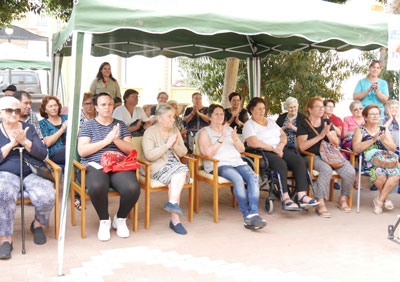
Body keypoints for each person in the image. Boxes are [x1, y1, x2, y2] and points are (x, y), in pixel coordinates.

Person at [78, 93, 140, 241]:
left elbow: (130, 150)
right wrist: (106, 141)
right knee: (97, 186)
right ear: (96, 107)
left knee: (132, 188)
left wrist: (115, 139)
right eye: (103, 104)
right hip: (95, 164)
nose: (107, 107)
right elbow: (82, 150)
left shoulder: (120, 125)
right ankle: (104, 221)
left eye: (110, 104)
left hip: (118, 164)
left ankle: (120, 218)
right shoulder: (88, 125)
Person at [0, 97, 55, 259]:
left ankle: (37, 224)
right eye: (9, 110)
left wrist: (25, 141)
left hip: (31, 171)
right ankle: (6, 239)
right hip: (6, 173)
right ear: (1, 112)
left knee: (47, 195)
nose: (13, 114)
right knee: (3, 193)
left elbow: (43, 153)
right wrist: (11, 144)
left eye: (16, 110)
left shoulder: (29, 128)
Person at [198, 104, 267, 231]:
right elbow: (207, 153)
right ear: (210, 116)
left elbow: (241, 149)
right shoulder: (204, 132)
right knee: (238, 179)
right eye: (216, 114)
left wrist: (235, 138)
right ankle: (247, 214)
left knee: (253, 176)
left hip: (237, 161)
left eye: (222, 114)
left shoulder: (229, 130)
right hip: (219, 163)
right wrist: (222, 137)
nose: (220, 116)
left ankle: (254, 213)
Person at [243, 97, 319, 211]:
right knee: (281, 164)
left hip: (280, 148)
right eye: (259, 109)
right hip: (263, 152)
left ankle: (302, 195)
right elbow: (253, 142)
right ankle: (285, 198)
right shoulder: (249, 125)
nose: (262, 111)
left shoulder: (270, 121)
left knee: (299, 161)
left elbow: (283, 135)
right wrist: (273, 149)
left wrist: (280, 146)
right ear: (252, 110)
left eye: (263, 108)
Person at [297, 97, 355, 218]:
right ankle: (320, 202)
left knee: (350, 171)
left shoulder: (327, 123)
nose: (321, 109)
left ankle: (342, 199)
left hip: (330, 155)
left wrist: (328, 134)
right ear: (309, 109)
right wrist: (319, 136)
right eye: (318, 106)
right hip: (313, 156)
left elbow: (336, 143)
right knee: (326, 169)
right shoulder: (303, 124)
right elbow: (302, 147)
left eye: (322, 106)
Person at [142, 104, 190, 234]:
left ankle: (173, 208)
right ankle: (175, 220)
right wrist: (166, 145)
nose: (173, 119)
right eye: (169, 117)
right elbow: (149, 155)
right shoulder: (149, 132)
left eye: (173, 116)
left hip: (175, 165)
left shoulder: (174, 130)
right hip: (157, 167)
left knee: (177, 175)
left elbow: (183, 151)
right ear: (159, 118)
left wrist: (174, 147)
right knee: (182, 170)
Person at [352, 105, 400, 214]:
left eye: (377, 114)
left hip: (385, 160)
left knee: (396, 174)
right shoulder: (360, 130)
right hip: (368, 162)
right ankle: (385, 198)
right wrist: (373, 140)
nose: (375, 116)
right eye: (372, 114)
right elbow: (356, 148)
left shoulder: (384, 129)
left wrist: (384, 141)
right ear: (365, 117)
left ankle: (379, 201)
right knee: (381, 175)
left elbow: (393, 148)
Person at [39, 96, 67, 165]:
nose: (54, 108)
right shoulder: (43, 123)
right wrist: (62, 129)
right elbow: (48, 142)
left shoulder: (67, 117)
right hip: (56, 155)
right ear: (45, 110)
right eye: (50, 106)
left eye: (55, 105)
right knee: (68, 150)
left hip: (71, 151)